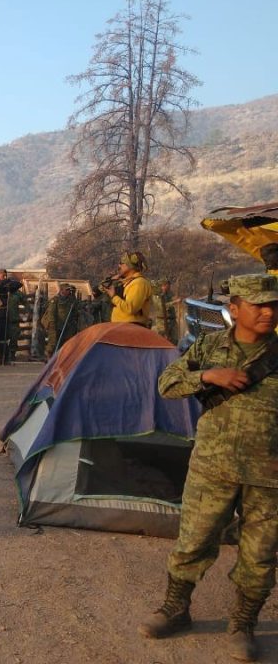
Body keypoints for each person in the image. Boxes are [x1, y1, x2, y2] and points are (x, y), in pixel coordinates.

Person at [138, 274, 278, 662]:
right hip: (212, 468)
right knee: (193, 542)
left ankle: (243, 624)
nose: (269, 312)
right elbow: (167, 382)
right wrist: (207, 376)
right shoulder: (209, 346)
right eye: (259, 305)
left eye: (274, 305)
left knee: (260, 555)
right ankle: (175, 610)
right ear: (234, 310)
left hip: (269, 475)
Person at [106, 251, 152, 326]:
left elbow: (130, 308)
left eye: (121, 263)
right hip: (121, 326)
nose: (119, 265)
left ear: (130, 266)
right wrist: (111, 281)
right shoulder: (127, 282)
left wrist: (114, 297)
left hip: (131, 327)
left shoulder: (139, 283)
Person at [40, 283, 80, 359]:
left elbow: (75, 310)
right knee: (53, 342)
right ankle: (49, 358)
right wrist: (52, 325)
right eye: (67, 290)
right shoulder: (55, 300)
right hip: (55, 324)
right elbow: (51, 313)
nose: (69, 292)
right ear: (61, 290)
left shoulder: (71, 300)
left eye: (69, 290)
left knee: (66, 342)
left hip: (66, 325)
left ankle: (62, 358)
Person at [153, 279, 179, 344]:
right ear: (162, 286)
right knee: (162, 341)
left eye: (168, 285)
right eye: (166, 285)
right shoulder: (157, 296)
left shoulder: (169, 294)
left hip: (172, 321)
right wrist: (174, 302)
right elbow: (162, 307)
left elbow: (173, 298)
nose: (168, 286)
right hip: (162, 322)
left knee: (174, 340)